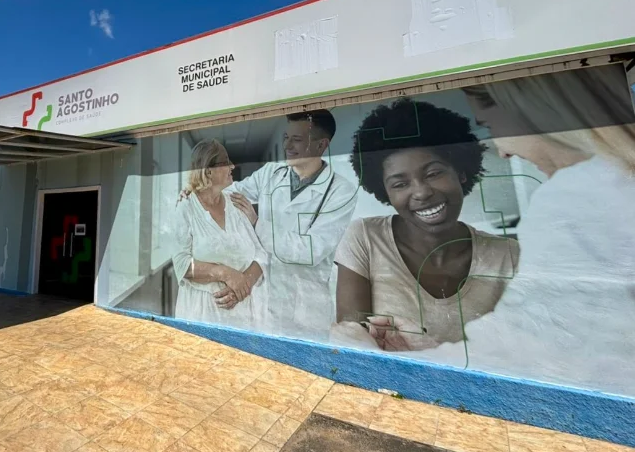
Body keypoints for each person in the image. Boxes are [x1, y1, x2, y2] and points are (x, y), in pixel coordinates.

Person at [377, 66, 635, 396]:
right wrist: (428, 347)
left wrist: (389, 360)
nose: (502, 151)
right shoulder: (604, 186)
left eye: (491, 126)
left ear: (532, 108)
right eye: (399, 183)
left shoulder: (575, 198)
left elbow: (536, 351)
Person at [334, 99, 518, 350]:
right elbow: (352, 341)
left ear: (461, 172)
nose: (421, 192)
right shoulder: (365, 237)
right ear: (385, 193)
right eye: (400, 184)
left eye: (433, 174)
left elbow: (522, 355)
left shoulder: (508, 255)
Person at [216, 110, 357, 341]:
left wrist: (257, 222)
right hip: (263, 301)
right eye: (286, 137)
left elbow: (310, 250)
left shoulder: (341, 191)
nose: (287, 146)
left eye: (297, 140)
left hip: (305, 313)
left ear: (322, 145)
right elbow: (229, 195)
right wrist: (199, 193)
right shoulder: (271, 173)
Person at [171, 139, 267, 329]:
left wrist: (244, 283)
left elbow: (261, 254)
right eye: (225, 161)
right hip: (200, 315)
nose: (232, 166)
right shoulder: (186, 208)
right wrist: (225, 274)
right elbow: (181, 264)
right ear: (208, 171)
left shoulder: (236, 203)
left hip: (242, 316)